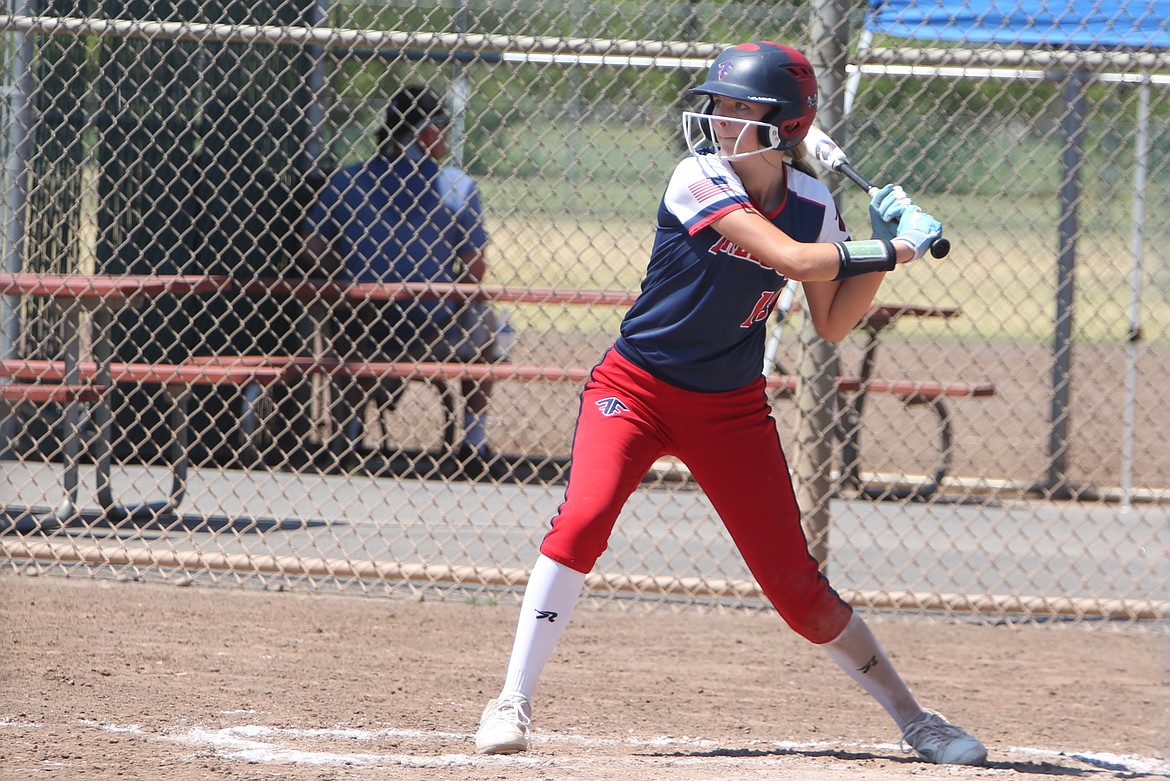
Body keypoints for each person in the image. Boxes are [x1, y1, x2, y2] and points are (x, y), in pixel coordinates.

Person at [472, 41, 987, 766]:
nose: (718, 117)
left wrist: (876, 244)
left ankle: (915, 717)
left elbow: (833, 318)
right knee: (584, 519)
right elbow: (794, 262)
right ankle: (512, 698)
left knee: (796, 588)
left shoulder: (812, 204)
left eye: (740, 107)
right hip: (636, 386)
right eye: (717, 104)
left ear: (784, 122)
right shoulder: (698, 176)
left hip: (731, 408)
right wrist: (896, 249)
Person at [301, 84, 505, 478]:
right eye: (441, 128)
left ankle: (350, 432)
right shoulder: (457, 184)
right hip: (433, 326)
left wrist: (352, 269)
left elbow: (312, 246)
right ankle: (474, 440)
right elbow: (474, 268)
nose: (444, 137)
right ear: (426, 132)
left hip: (362, 323)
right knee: (488, 324)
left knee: (343, 320)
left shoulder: (349, 180)